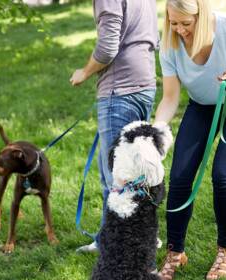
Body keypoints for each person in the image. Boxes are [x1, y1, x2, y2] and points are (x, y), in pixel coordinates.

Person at [153, 0, 226, 280]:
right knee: (178, 178)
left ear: (201, 16)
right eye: (173, 22)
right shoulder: (169, 43)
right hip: (201, 106)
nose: (179, 30)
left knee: (223, 174)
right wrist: (156, 131)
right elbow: (169, 98)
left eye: (185, 24)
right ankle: (175, 252)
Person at [70, 0, 158, 253]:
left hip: (120, 89)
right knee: (133, 171)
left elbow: (108, 48)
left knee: (117, 177)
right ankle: (117, 238)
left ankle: (126, 246)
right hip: (144, 84)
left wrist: (84, 72)